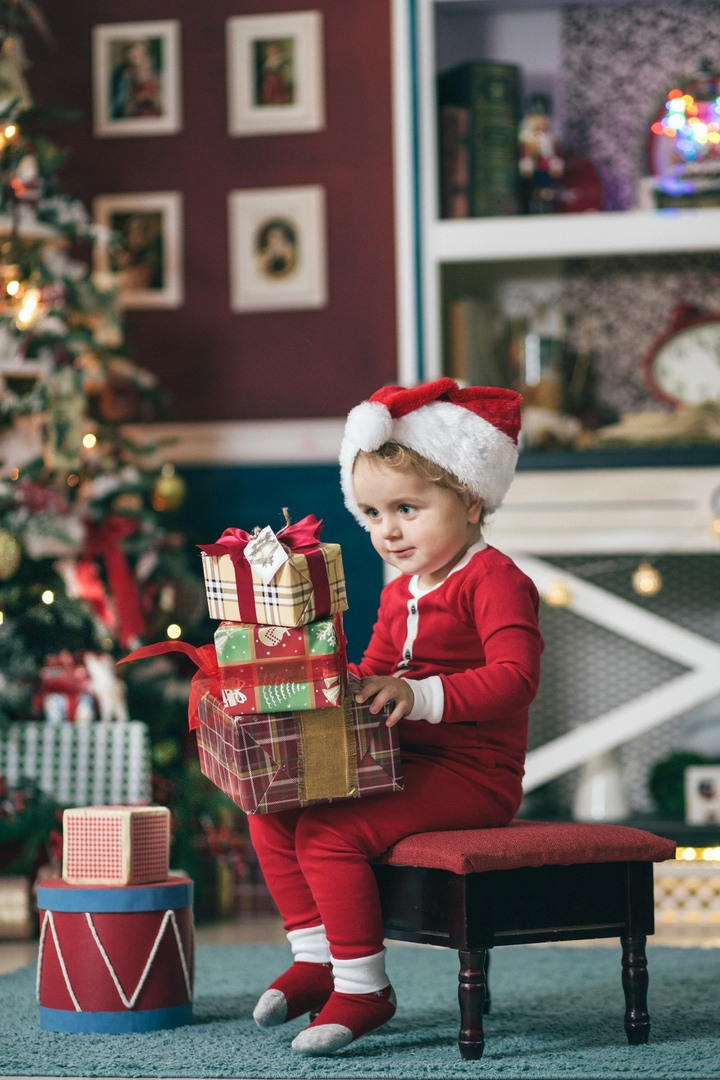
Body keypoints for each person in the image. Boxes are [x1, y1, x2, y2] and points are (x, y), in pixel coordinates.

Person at [247, 377, 543, 1056]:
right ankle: (317, 955)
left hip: (473, 776)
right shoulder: (400, 589)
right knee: (270, 805)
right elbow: (373, 673)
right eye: (374, 514)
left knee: (327, 832)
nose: (388, 530)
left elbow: (516, 679)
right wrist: (299, 676)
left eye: (407, 508)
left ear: (470, 501)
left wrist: (421, 695)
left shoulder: (494, 579)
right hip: (397, 759)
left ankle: (364, 987)